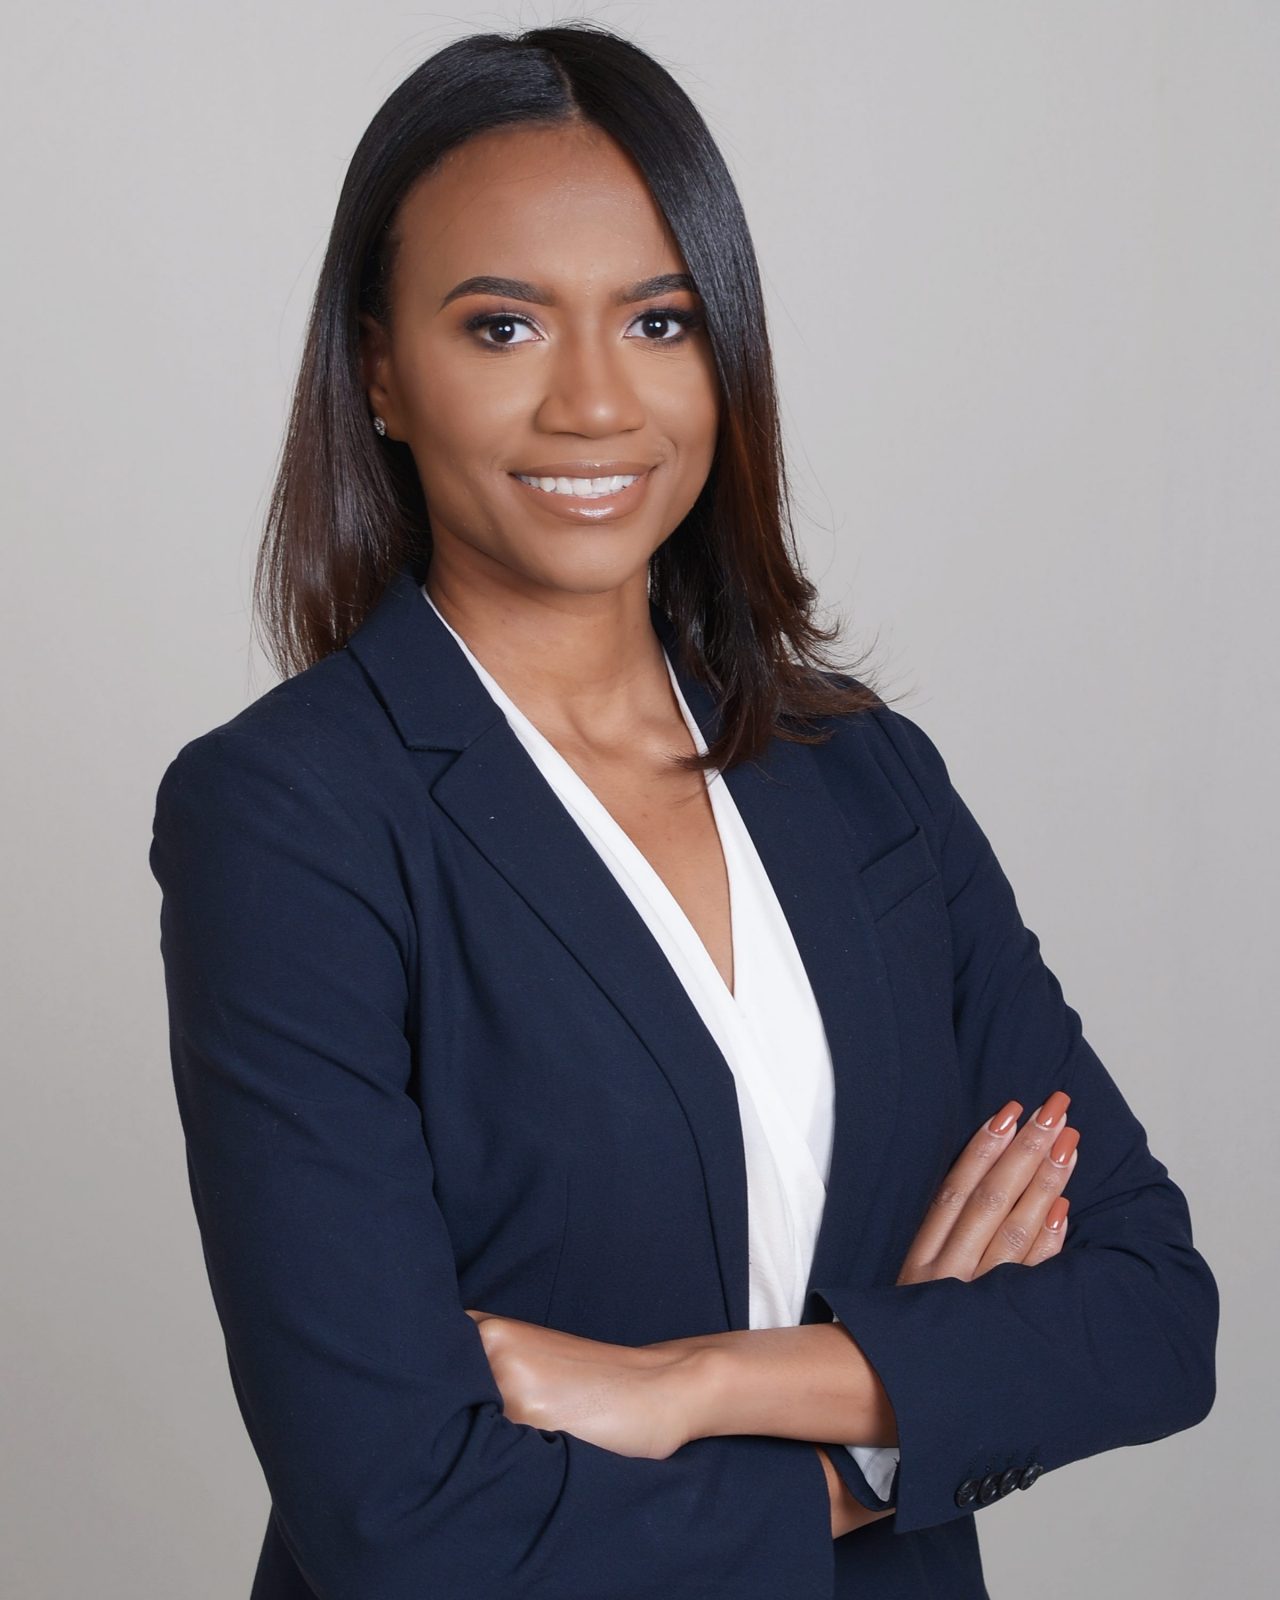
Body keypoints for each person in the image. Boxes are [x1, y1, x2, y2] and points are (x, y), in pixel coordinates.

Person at [149, 21, 1219, 1599]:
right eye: (504, 327)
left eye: (659, 320)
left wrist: (694, 1385)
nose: (596, 404)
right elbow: (404, 1519)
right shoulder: (290, 818)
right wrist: (886, 1432)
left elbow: (1149, 1311)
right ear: (379, 370)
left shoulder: (864, 776)